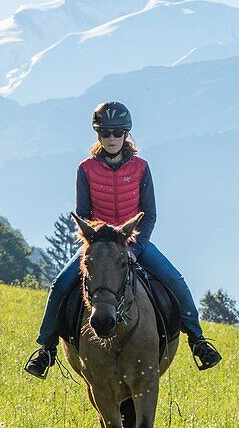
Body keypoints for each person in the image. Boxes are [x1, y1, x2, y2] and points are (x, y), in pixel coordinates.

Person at [24, 101, 222, 378]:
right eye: (106, 133)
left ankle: (198, 341)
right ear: (98, 135)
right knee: (59, 285)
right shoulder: (86, 169)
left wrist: (135, 248)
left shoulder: (141, 168)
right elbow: (83, 213)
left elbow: (149, 214)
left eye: (118, 132)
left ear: (126, 133)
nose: (112, 138)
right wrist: (98, 244)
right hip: (99, 246)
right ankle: (45, 349)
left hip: (134, 244)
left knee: (176, 281)